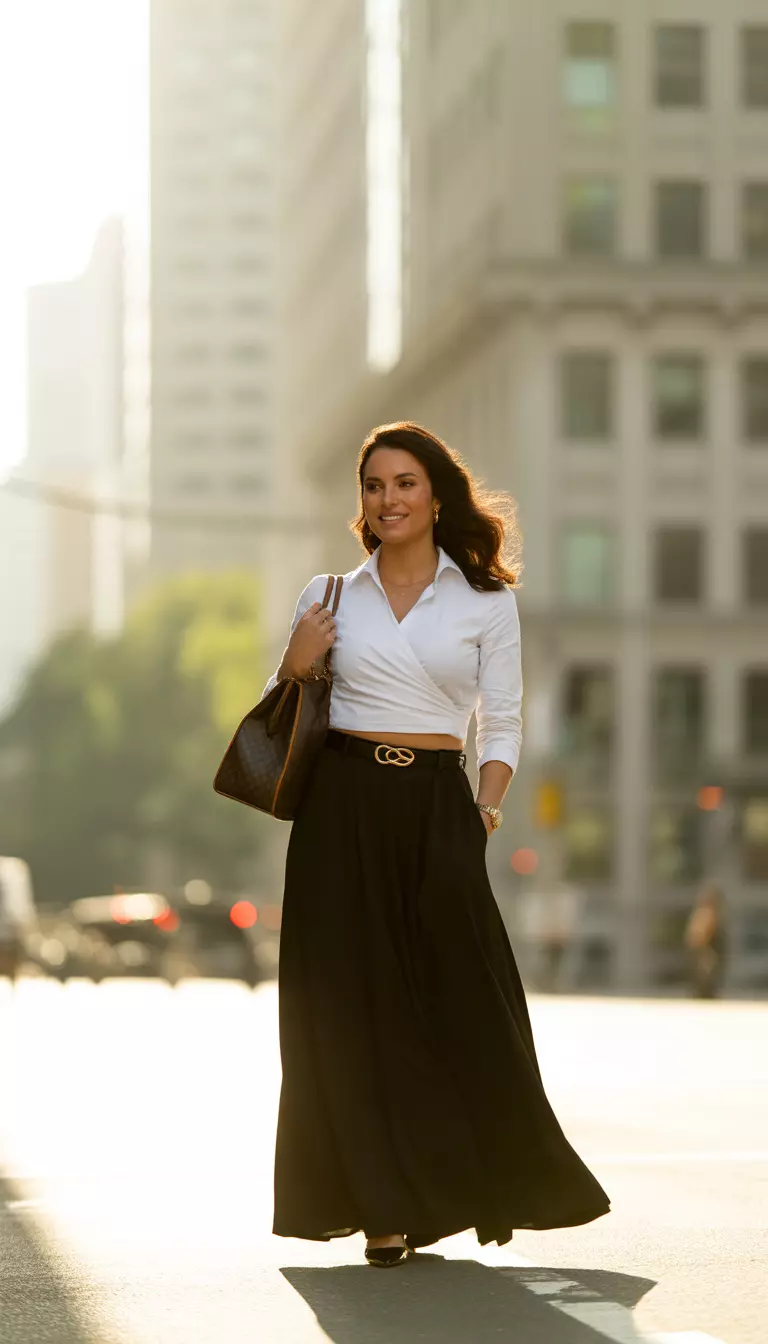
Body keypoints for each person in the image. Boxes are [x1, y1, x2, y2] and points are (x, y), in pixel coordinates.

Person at [260, 422, 611, 1268]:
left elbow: (502, 716)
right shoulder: (330, 594)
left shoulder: (485, 600)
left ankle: (466, 1182)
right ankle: (379, 1208)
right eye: (375, 485)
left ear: (437, 493)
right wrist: (298, 658)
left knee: (461, 994)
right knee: (347, 1011)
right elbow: (282, 708)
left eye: (405, 483)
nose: (389, 499)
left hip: (435, 804)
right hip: (340, 806)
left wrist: (484, 809)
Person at [683, 881, 728, 999]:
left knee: (707, 986)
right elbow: (695, 938)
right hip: (704, 955)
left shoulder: (709, 915)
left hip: (707, 954)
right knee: (702, 986)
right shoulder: (703, 915)